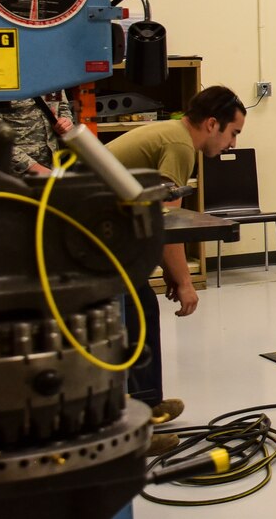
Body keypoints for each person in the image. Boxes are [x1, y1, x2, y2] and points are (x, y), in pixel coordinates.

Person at [104, 85, 247, 407]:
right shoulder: (180, 146)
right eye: (233, 133)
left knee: (137, 307)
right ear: (212, 124)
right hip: (90, 238)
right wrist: (184, 282)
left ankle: (145, 404)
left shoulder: (171, 133)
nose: (233, 144)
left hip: (102, 234)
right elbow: (165, 222)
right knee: (135, 312)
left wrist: (170, 270)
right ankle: (143, 411)